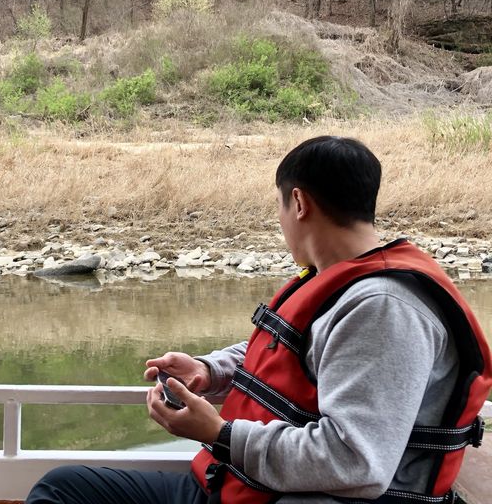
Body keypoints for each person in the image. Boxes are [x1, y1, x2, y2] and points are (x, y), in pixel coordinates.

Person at [26, 136, 491, 504]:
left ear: (300, 202)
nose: (282, 219)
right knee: (63, 488)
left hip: (297, 498)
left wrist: (219, 434)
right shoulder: (338, 281)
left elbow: (355, 461)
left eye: (280, 206)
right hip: (243, 486)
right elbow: (292, 356)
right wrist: (209, 371)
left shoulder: (385, 309)